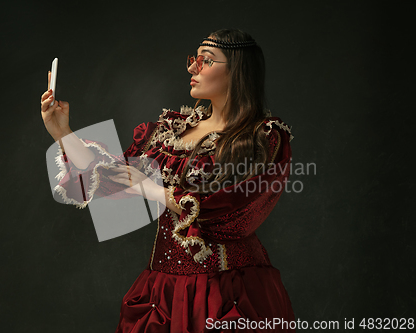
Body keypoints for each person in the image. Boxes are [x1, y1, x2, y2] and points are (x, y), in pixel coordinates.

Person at [40, 28, 295, 333]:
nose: (192, 67)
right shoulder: (170, 132)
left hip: (226, 294)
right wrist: (62, 133)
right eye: (193, 59)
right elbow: (112, 180)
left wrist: (153, 190)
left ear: (238, 70)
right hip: (163, 292)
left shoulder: (262, 137)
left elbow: (236, 217)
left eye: (206, 60)